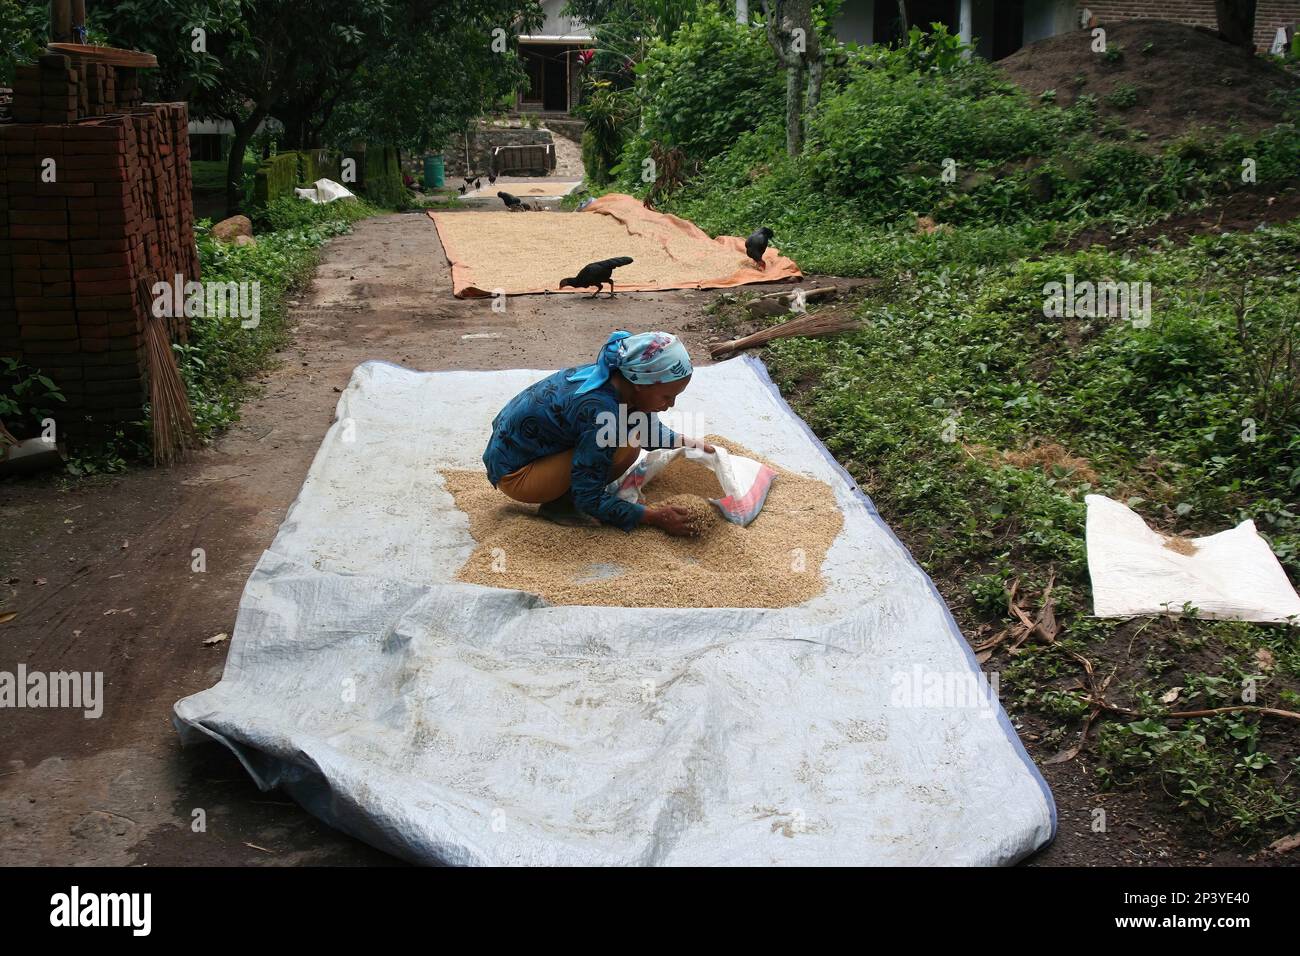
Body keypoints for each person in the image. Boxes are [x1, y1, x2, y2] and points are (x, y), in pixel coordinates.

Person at [482, 330, 714, 536]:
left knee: (627, 439)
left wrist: (686, 442)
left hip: (528, 453)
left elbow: (646, 428)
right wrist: (654, 517)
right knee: (625, 447)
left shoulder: (618, 377)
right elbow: (588, 495)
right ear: (641, 383)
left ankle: (564, 493)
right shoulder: (600, 411)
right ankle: (559, 505)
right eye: (666, 396)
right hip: (516, 474)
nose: (671, 404)